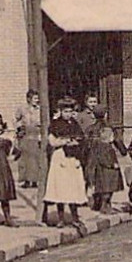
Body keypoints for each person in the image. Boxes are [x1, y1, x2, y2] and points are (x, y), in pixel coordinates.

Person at [43, 97, 88, 230]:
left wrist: (77, 142)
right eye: (65, 111)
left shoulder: (74, 124)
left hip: (73, 158)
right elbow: (52, 141)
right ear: (60, 111)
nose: (68, 114)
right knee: (61, 189)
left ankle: (75, 217)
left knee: (73, 188)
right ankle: (61, 218)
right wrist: (65, 141)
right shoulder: (55, 124)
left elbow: (81, 139)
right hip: (61, 157)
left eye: (70, 111)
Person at [13, 89, 47, 191]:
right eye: (35, 98)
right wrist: (18, 128)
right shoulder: (22, 109)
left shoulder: (40, 109)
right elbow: (16, 119)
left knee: (35, 159)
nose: (37, 100)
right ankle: (26, 180)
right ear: (29, 99)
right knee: (25, 159)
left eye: (37, 98)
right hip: (25, 135)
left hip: (35, 135)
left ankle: (35, 180)